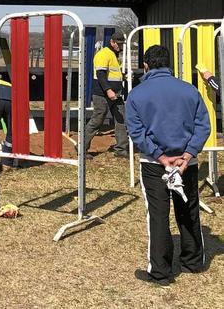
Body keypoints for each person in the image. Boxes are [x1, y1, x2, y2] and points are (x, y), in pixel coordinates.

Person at [126, 45, 210, 287]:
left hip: (154, 164)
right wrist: (187, 154)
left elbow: (136, 131)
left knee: (158, 215)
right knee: (188, 210)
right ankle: (193, 261)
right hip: (188, 162)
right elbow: (203, 125)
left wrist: (161, 157)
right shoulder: (190, 90)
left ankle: (161, 272)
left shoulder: (137, 94)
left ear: (146, 65)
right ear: (170, 65)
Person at [84, 31, 128, 159]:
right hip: (102, 94)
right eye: (118, 44)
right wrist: (108, 90)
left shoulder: (115, 55)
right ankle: (82, 148)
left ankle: (121, 150)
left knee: (121, 120)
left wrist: (124, 76)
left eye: (121, 44)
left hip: (116, 94)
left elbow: (113, 74)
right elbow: (101, 74)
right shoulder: (103, 54)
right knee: (97, 120)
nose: (120, 46)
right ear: (112, 42)